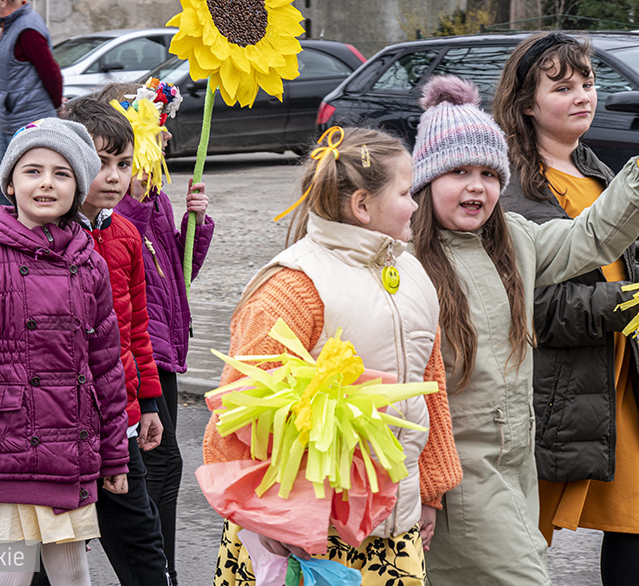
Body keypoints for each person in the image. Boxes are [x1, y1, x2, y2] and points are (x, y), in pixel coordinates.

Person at [204, 126, 463, 586]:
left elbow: (430, 384)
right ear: (362, 206)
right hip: (304, 530)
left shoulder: (412, 272)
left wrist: (430, 488)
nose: (417, 204)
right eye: (405, 192)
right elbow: (237, 410)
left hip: (392, 526)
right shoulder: (295, 285)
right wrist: (268, 519)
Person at [408, 74, 639, 586]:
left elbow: (593, 237)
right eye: (459, 171)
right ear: (425, 180)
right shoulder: (405, 262)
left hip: (516, 469)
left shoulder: (513, 238)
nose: (477, 186)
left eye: (490, 173)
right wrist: (425, 485)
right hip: (458, 478)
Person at [0, 117, 129, 586]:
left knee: (73, 575)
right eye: (32, 171)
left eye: (62, 173)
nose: (47, 184)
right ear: (10, 183)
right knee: (9, 578)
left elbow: (106, 365)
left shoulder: (89, 261)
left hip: (70, 448)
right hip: (5, 442)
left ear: (78, 188)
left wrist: (114, 457)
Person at [494, 32, 639, 586]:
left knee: (632, 519)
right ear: (526, 103)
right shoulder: (506, 186)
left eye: (588, 83)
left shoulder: (598, 170)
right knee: (519, 537)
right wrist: (621, 304)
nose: (583, 96)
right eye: (563, 87)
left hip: (616, 377)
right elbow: (528, 305)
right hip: (550, 390)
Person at [102, 82, 214, 586]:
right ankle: (157, 567)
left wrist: (197, 224)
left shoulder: (156, 201)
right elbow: (122, 266)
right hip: (142, 350)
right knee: (158, 462)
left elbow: (174, 271)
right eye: (152, 134)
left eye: (161, 135)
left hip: (164, 346)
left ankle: (158, 564)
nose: (160, 146)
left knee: (165, 464)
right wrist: (141, 202)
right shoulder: (119, 207)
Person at [58, 97, 170, 585]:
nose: (113, 176)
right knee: (55, 554)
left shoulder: (124, 233)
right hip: (60, 425)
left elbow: (136, 328)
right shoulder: (47, 236)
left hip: (118, 422)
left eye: (123, 164)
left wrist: (148, 402)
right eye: (100, 163)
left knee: (141, 543)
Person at [0, 0, 62, 209]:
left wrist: (56, 105)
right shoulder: (13, 25)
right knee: (1, 186)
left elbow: (51, 71)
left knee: (18, 187)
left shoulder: (26, 29)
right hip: (11, 120)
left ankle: (10, 235)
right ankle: (0, 236)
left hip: (28, 121)